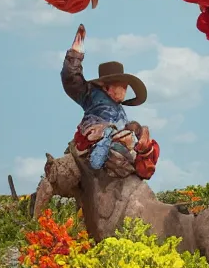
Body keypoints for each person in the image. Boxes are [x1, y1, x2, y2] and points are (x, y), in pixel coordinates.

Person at [61, 23, 154, 174]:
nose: (125, 90)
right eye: (121, 86)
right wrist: (75, 53)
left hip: (119, 146)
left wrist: (135, 129)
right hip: (96, 143)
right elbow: (71, 79)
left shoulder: (119, 108)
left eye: (126, 86)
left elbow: (123, 126)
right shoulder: (90, 95)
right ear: (106, 87)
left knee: (143, 148)